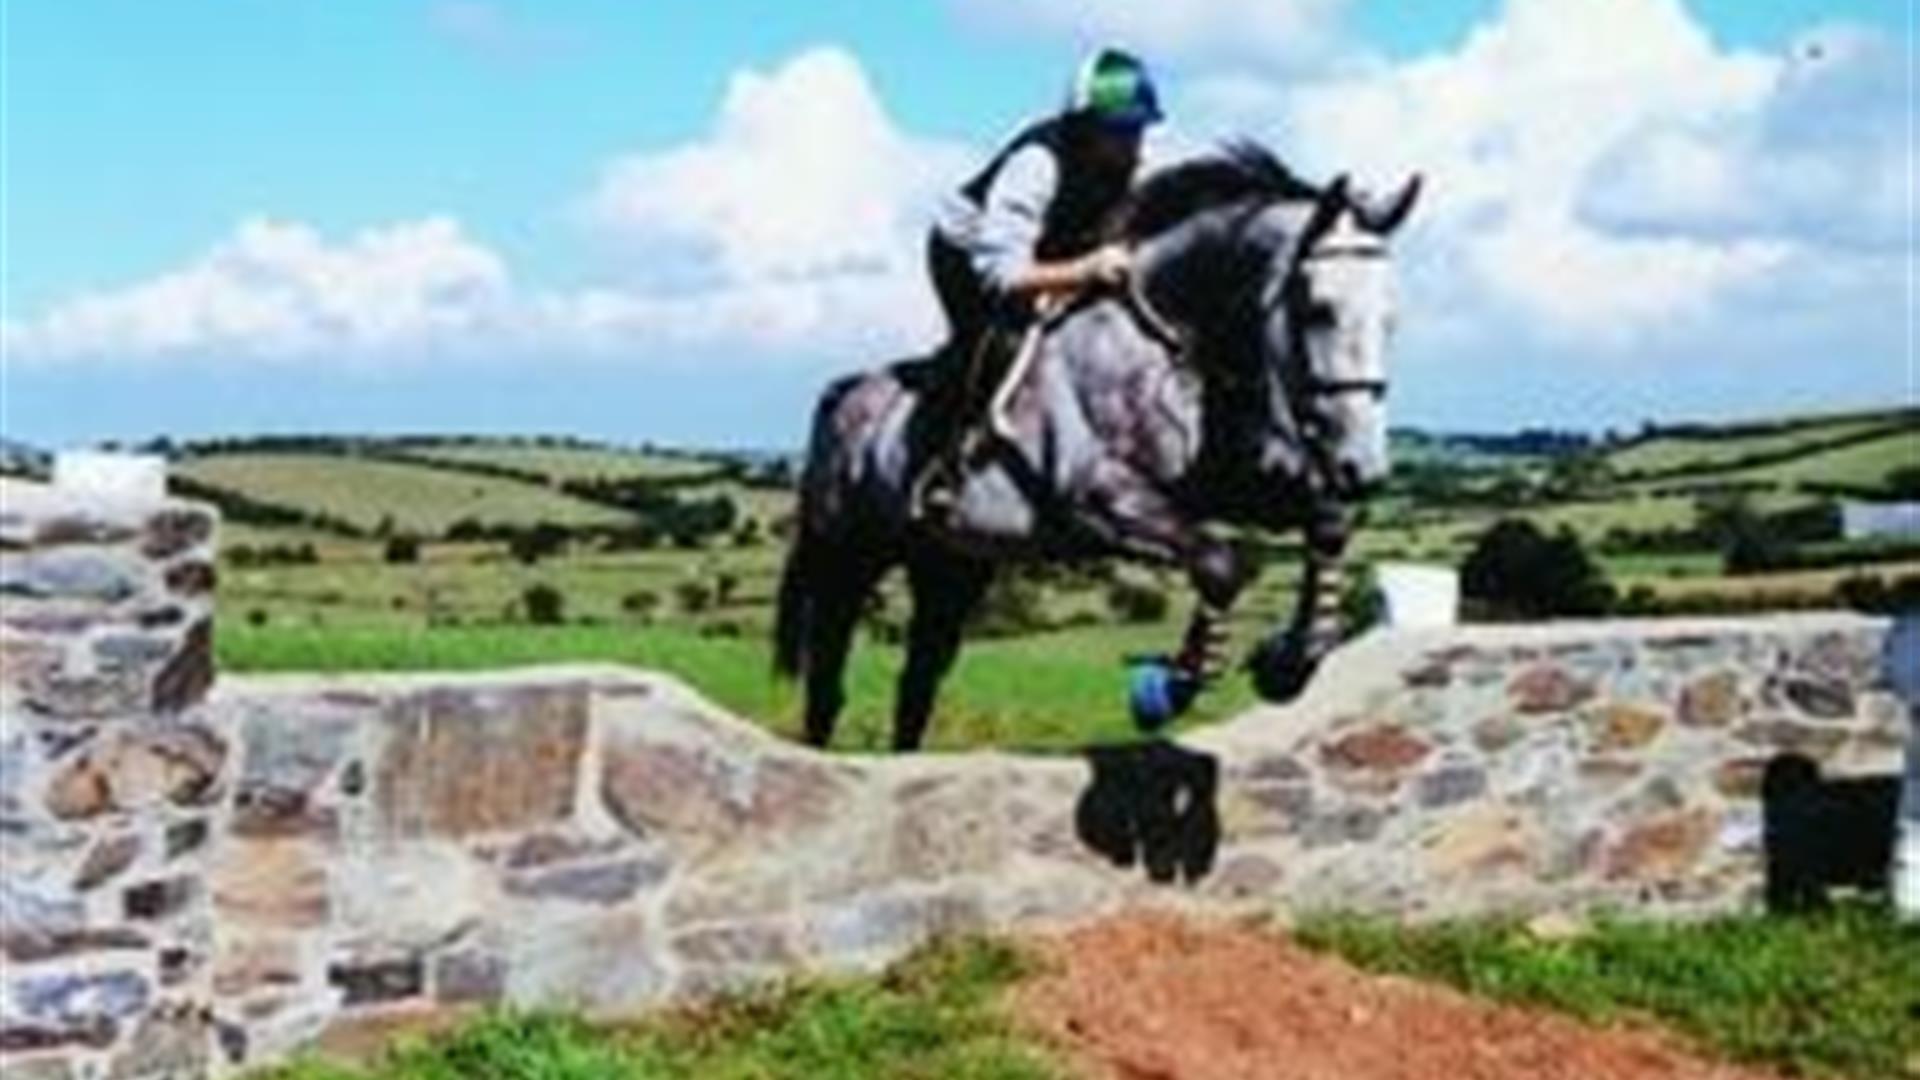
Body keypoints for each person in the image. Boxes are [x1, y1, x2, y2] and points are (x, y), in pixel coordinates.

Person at [915, 47, 1163, 516]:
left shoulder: (1132, 170)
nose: (1134, 142)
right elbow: (1003, 275)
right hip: (967, 255)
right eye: (1121, 130)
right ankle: (946, 463)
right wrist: (1086, 270)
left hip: (1048, 245)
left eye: (1139, 128)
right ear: (1085, 127)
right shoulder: (1037, 164)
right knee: (999, 339)